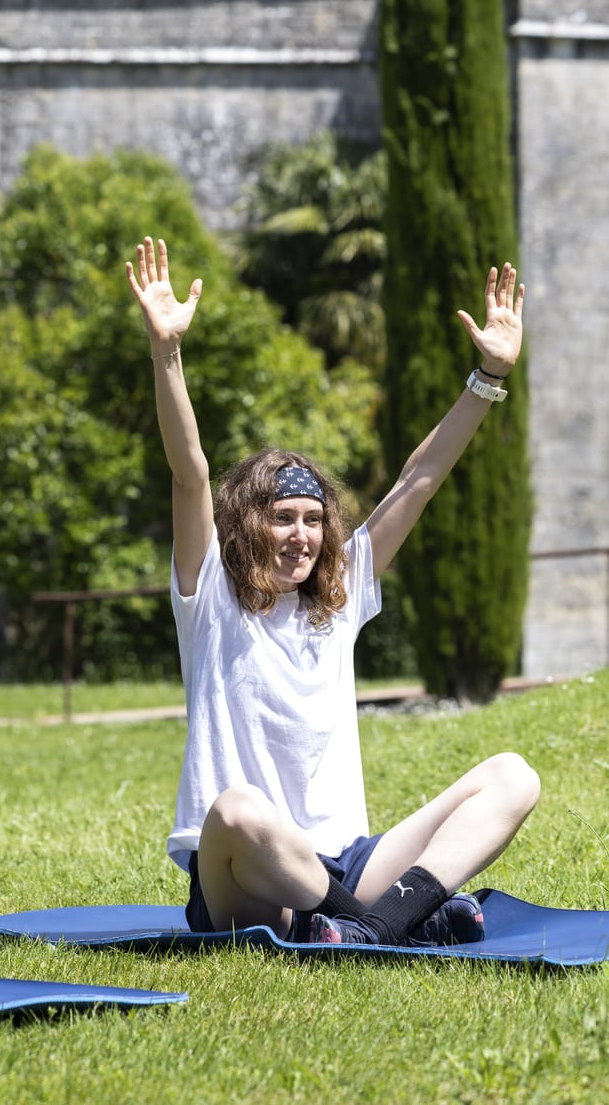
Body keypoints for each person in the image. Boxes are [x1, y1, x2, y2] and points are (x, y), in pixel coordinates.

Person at [126, 236, 539, 948]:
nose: (301, 536)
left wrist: (485, 378)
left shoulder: (341, 596)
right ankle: (387, 925)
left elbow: (419, 478)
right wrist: (167, 353)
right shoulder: (209, 599)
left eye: (313, 520)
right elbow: (189, 471)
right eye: (281, 518)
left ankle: (372, 925)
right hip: (242, 878)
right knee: (236, 810)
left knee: (512, 776)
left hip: (346, 865)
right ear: (244, 524)